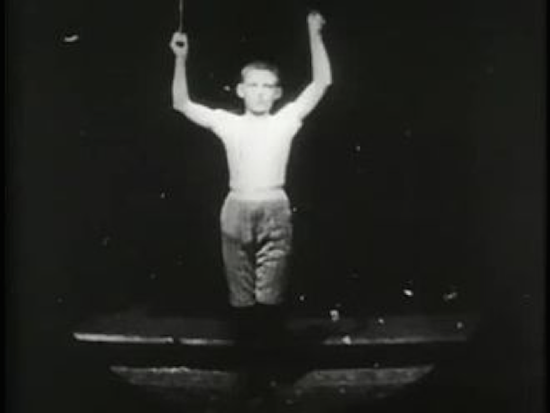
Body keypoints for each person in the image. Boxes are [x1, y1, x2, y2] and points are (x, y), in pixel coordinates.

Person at [169, 11, 332, 347]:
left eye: (267, 86)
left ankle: (268, 358)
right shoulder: (227, 122)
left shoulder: (285, 120)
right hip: (236, 208)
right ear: (241, 90)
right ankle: (249, 362)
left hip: (275, 207)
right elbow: (181, 103)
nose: (260, 93)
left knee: (271, 293)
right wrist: (180, 58)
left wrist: (314, 34)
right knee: (241, 293)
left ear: (277, 93)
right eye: (253, 86)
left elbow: (321, 84)